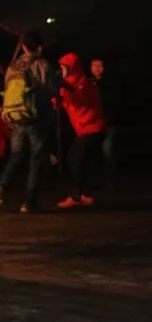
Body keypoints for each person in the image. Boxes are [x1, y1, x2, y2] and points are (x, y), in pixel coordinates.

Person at [0, 32, 60, 213]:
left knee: (16, 154)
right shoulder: (42, 64)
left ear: (23, 47)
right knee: (36, 160)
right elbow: (52, 90)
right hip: (38, 117)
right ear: (40, 47)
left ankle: (3, 184)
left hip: (17, 116)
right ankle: (29, 202)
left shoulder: (14, 65)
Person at [55, 53, 107, 208]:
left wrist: (64, 88)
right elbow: (59, 104)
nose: (61, 69)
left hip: (92, 127)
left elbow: (79, 101)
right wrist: (56, 97)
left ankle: (77, 195)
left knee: (74, 160)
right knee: (82, 161)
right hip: (83, 128)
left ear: (72, 68)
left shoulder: (84, 82)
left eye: (64, 67)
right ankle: (85, 194)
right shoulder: (67, 83)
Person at [89, 57, 121, 191]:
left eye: (100, 66)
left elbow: (114, 101)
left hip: (106, 122)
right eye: (95, 66)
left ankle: (110, 182)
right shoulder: (88, 83)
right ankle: (89, 183)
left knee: (108, 153)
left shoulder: (110, 84)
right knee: (90, 153)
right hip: (91, 123)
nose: (97, 68)